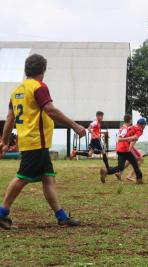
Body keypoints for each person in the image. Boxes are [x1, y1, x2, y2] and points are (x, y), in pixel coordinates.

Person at [0, 54, 86, 230]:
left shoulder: (17, 91)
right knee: (22, 178)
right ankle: (1, 213)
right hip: (36, 142)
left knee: (48, 178)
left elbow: (10, 119)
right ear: (43, 70)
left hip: (31, 141)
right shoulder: (39, 87)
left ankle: (61, 216)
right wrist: (74, 125)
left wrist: (4, 140)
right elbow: (50, 110)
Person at [100, 114, 143, 184]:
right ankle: (139, 179)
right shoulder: (125, 129)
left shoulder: (123, 127)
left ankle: (106, 171)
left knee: (120, 167)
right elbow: (119, 139)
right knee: (135, 163)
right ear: (130, 120)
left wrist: (131, 137)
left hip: (119, 149)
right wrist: (129, 138)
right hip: (125, 149)